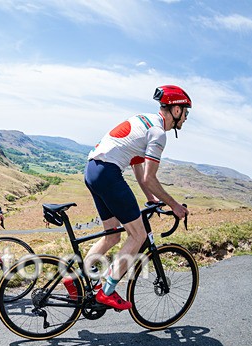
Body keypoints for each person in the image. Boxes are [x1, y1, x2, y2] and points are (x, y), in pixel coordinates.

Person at [80, 85, 191, 310]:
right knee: (138, 235)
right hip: (108, 174)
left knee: (112, 236)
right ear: (176, 111)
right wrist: (175, 205)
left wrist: (151, 198)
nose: (186, 118)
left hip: (92, 170)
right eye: (186, 113)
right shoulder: (159, 134)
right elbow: (150, 177)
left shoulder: (145, 121)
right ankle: (107, 292)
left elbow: (141, 176)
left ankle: (77, 281)